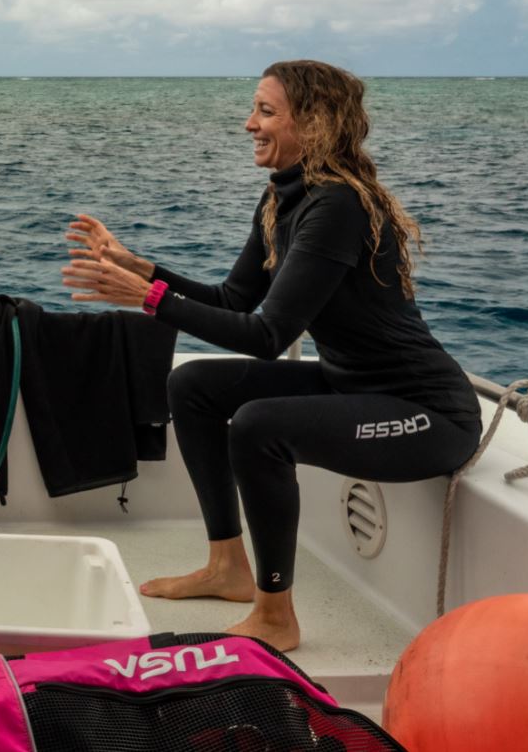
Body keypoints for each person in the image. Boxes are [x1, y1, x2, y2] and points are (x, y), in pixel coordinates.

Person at [61, 60, 481, 651]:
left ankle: (276, 614)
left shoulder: (336, 206)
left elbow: (267, 334)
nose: (248, 124)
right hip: (350, 386)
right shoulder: (284, 198)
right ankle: (227, 566)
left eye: (265, 111)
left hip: (427, 413)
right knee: (194, 387)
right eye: (254, 109)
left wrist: (150, 300)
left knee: (261, 426)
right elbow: (235, 298)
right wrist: (140, 268)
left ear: (314, 123)